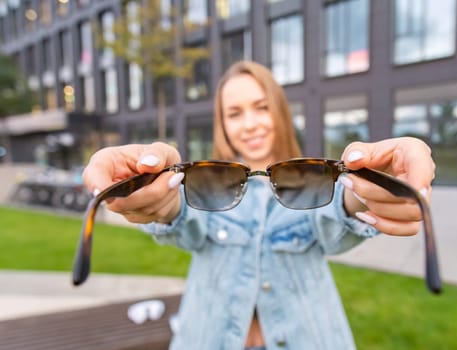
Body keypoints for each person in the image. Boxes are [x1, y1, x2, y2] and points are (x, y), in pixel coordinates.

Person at [82, 61, 435, 350]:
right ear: (222, 124)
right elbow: (182, 216)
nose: (250, 124)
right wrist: (160, 195)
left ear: (279, 111)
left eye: (261, 107)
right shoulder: (208, 183)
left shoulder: (312, 179)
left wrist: (371, 187)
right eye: (234, 113)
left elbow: (339, 210)